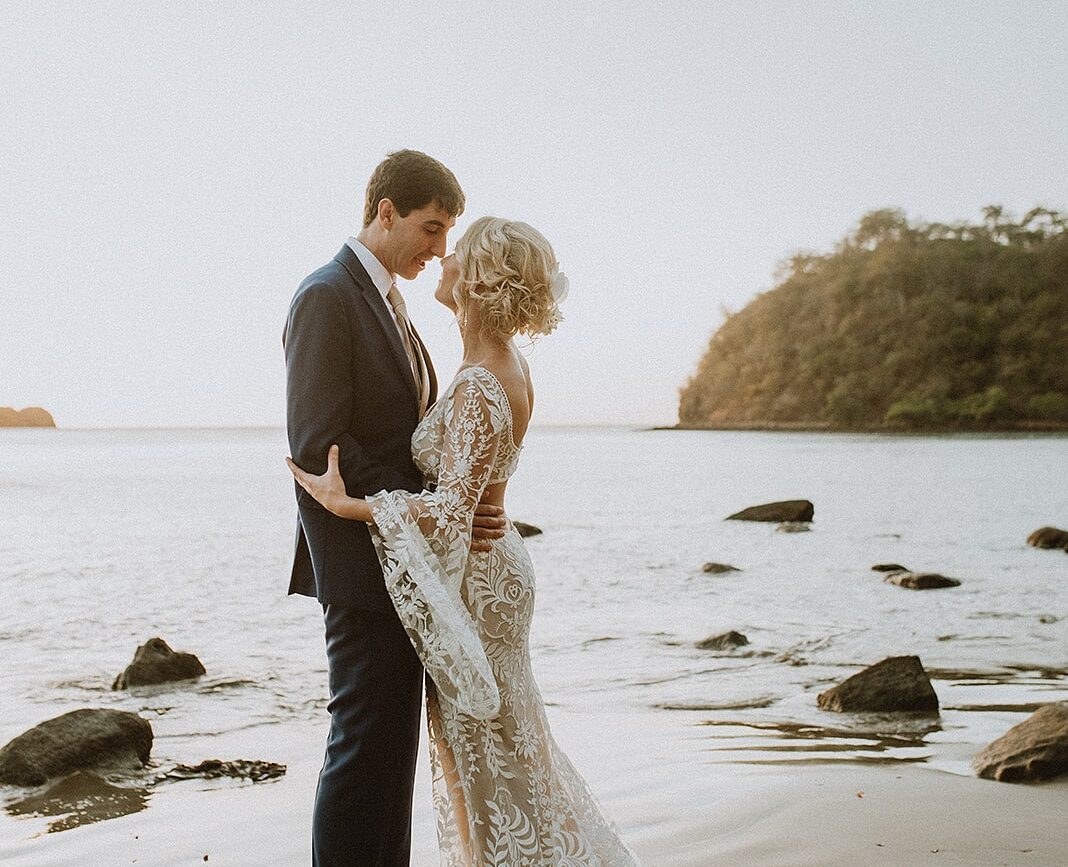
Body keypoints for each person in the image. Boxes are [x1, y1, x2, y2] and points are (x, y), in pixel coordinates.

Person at [288, 216, 641, 865]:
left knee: (491, 761)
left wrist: (350, 503)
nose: (443, 259)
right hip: (487, 569)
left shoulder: (482, 377)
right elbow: (470, 487)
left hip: (479, 580)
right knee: (508, 746)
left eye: (458, 250)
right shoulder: (491, 364)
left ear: (478, 280)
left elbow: (452, 511)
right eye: (437, 237)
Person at [283, 150, 507, 866]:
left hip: (405, 563)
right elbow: (322, 445)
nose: (440, 248)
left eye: (447, 233)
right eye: (431, 228)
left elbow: (407, 442)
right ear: (385, 213)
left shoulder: (392, 304)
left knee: (390, 758)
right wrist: (435, 506)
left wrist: (461, 503)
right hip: (356, 562)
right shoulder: (327, 295)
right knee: (359, 749)